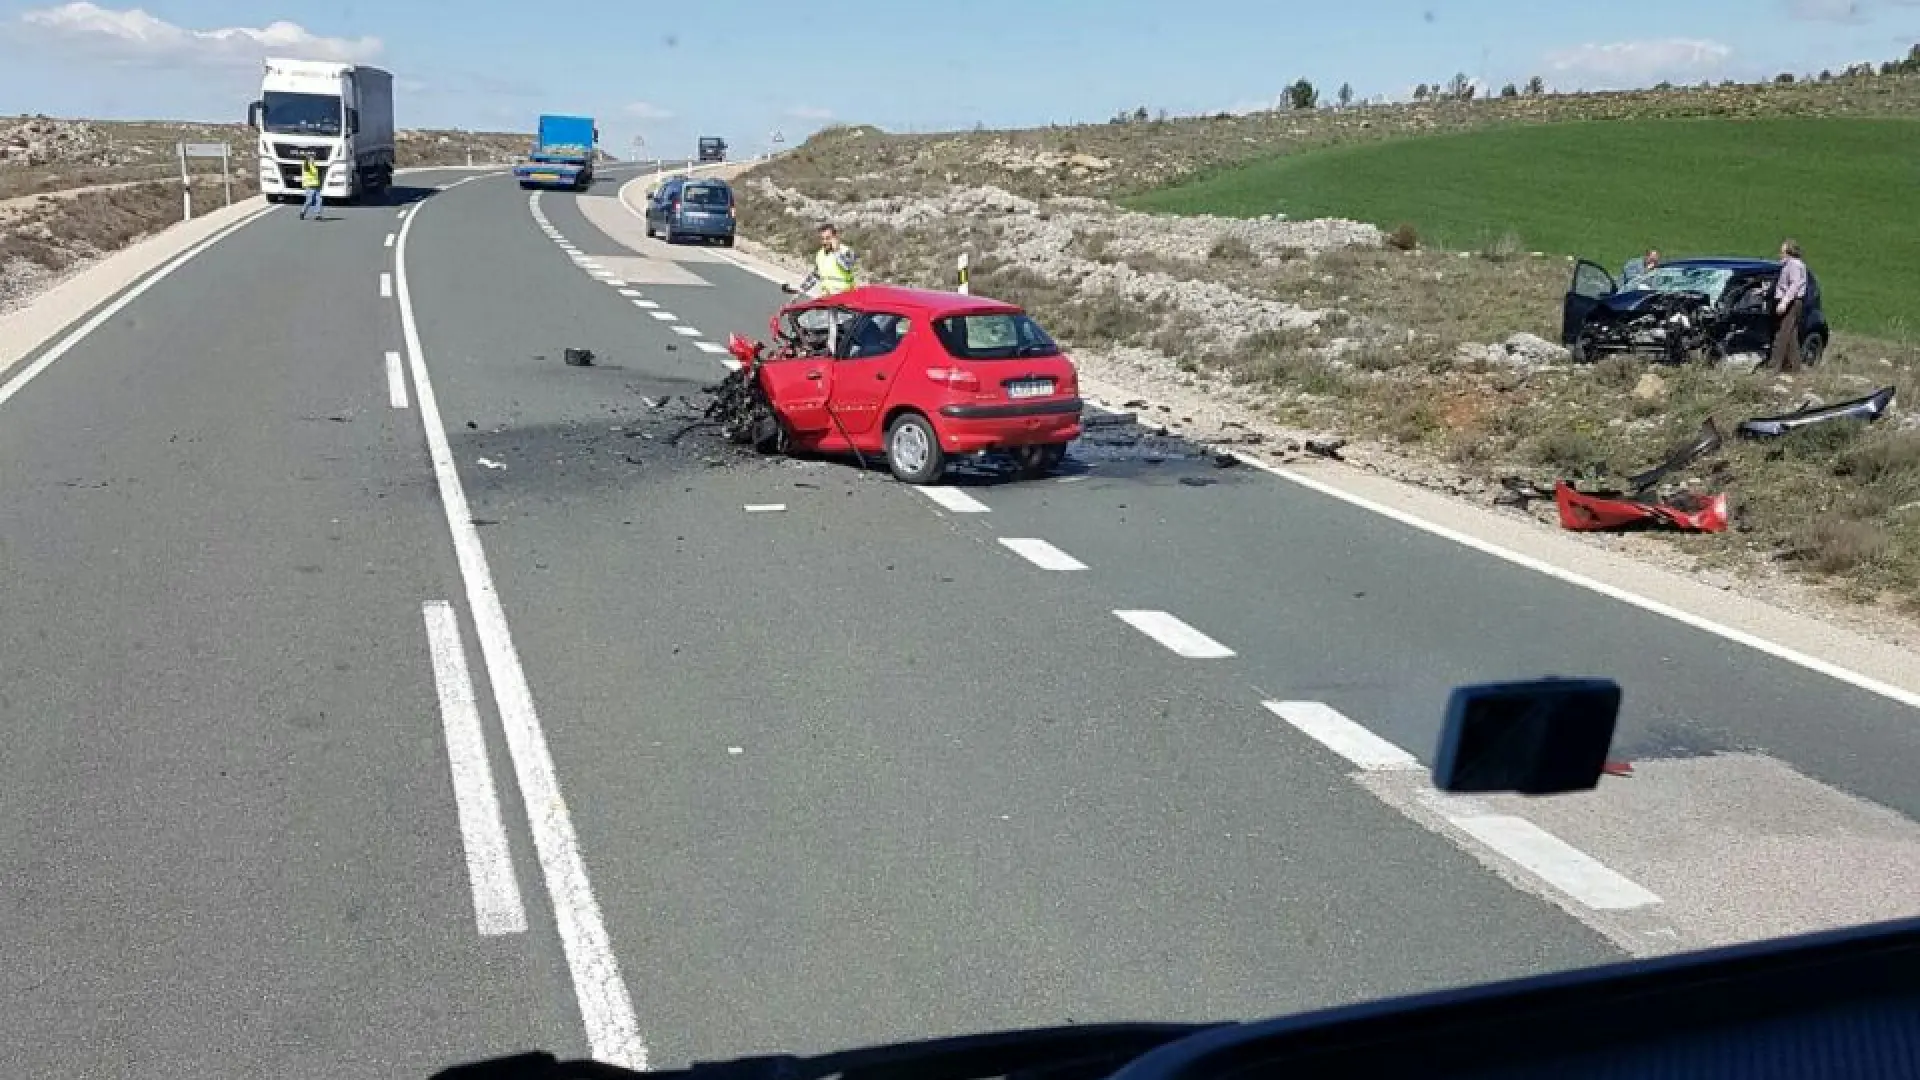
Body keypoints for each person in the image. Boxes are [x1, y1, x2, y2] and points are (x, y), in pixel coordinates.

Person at [1770, 239, 1808, 373]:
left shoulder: (1794, 265)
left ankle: (1773, 367)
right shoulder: (1787, 264)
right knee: (1791, 336)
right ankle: (1795, 368)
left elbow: (1794, 285)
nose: (1780, 253)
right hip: (1790, 301)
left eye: (1782, 250)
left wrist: (1784, 302)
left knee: (1782, 334)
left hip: (1791, 302)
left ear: (1789, 251)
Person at [810, 223, 857, 295]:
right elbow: (815, 275)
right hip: (827, 297)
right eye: (822, 239)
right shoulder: (820, 254)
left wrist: (836, 251)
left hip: (845, 298)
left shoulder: (846, 250)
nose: (825, 242)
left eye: (828, 238)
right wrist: (800, 291)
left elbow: (847, 267)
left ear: (835, 237)